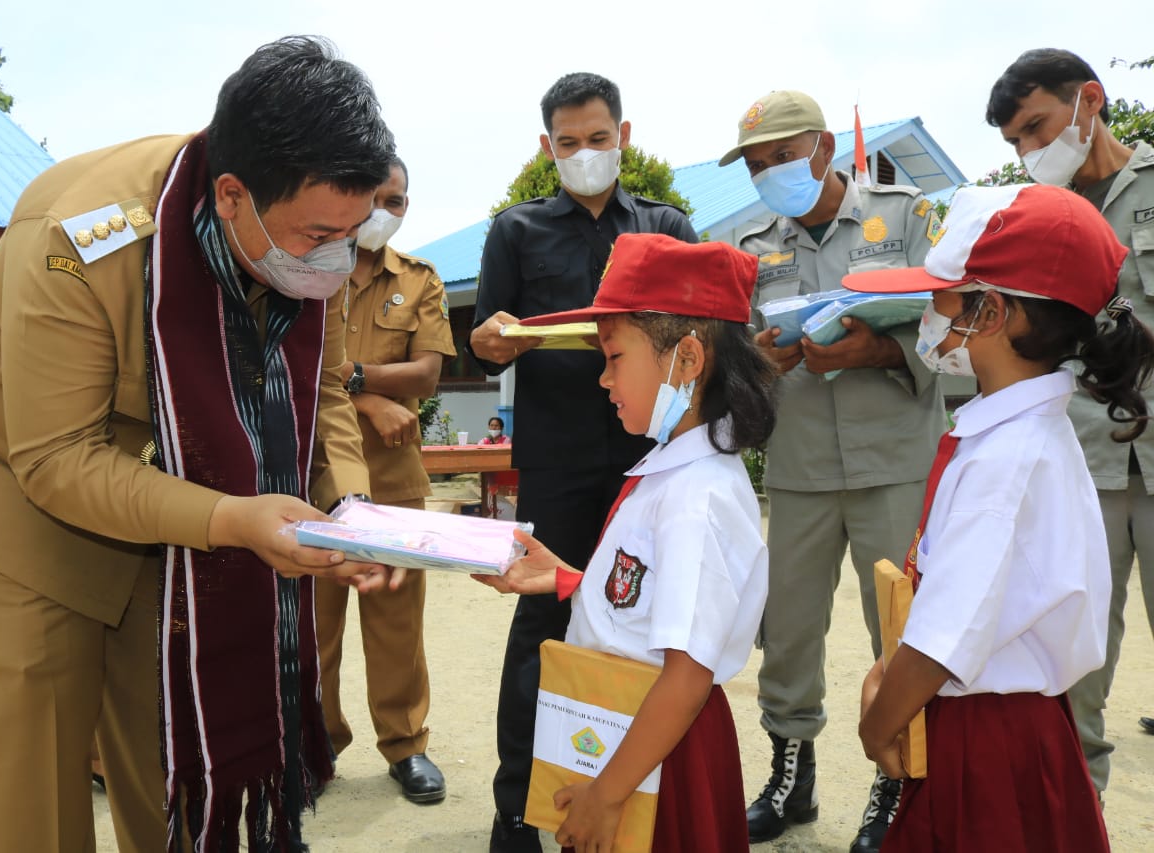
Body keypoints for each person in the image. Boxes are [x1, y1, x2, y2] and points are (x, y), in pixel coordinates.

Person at [0, 36, 401, 853]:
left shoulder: (309, 234)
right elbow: (56, 459)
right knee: (42, 750)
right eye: (317, 235)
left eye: (352, 232)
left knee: (170, 733)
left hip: (178, 481)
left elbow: (327, 393)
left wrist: (347, 507)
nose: (336, 259)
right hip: (8, 485)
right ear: (234, 195)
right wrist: (234, 520)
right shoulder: (83, 238)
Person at [850, 182, 1150, 851]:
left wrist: (878, 726)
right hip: (1007, 726)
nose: (928, 311)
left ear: (989, 312)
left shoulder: (1005, 459)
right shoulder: (1012, 435)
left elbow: (945, 638)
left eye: (942, 295)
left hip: (985, 743)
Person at [476, 233, 775, 852]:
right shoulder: (672, 469)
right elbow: (649, 605)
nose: (603, 379)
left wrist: (606, 794)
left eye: (613, 357)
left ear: (686, 359)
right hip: (640, 736)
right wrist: (568, 581)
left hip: (662, 752)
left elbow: (686, 676)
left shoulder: (698, 497)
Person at [468, 71, 699, 852]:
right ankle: (517, 805)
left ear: (623, 136)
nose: (586, 153)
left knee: (643, 620)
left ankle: (632, 789)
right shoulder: (515, 231)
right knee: (545, 618)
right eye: (569, 143)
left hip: (651, 452)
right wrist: (491, 338)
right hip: (558, 455)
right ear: (547, 147)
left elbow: (698, 327)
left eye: (598, 139)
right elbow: (483, 333)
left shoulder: (666, 225)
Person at [720, 89, 947, 850]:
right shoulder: (754, 248)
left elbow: (951, 330)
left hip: (896, 465)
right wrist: (760, 360)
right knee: (787, 633)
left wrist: (876, 349)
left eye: (781, 157)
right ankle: (792, 777)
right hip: (801, 465)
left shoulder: (908, 216)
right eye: (756, 166)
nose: (769, 175)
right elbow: (738, 359)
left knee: (901, 632)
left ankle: (897, 781)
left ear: (820, 146)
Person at [985, 48, 1154, 795]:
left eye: (1036, 127)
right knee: (1071, 664)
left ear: (1090, 101)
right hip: (1083, 464)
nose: (1029, 151)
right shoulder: (1039, 220)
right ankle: (1074, 812)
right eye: (1016, 142)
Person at [316, 155, 454, 803]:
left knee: (396, 620)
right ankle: (314, 745)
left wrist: (356, 380)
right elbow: (299, 368)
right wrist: (370, 397)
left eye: (398, 201)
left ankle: (406, 745)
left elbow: (427, 374)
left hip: (394, 479)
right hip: (314, 474)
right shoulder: (310, 266)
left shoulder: (420, 279)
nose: (385, 212)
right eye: (376, 197)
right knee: (313, 624)